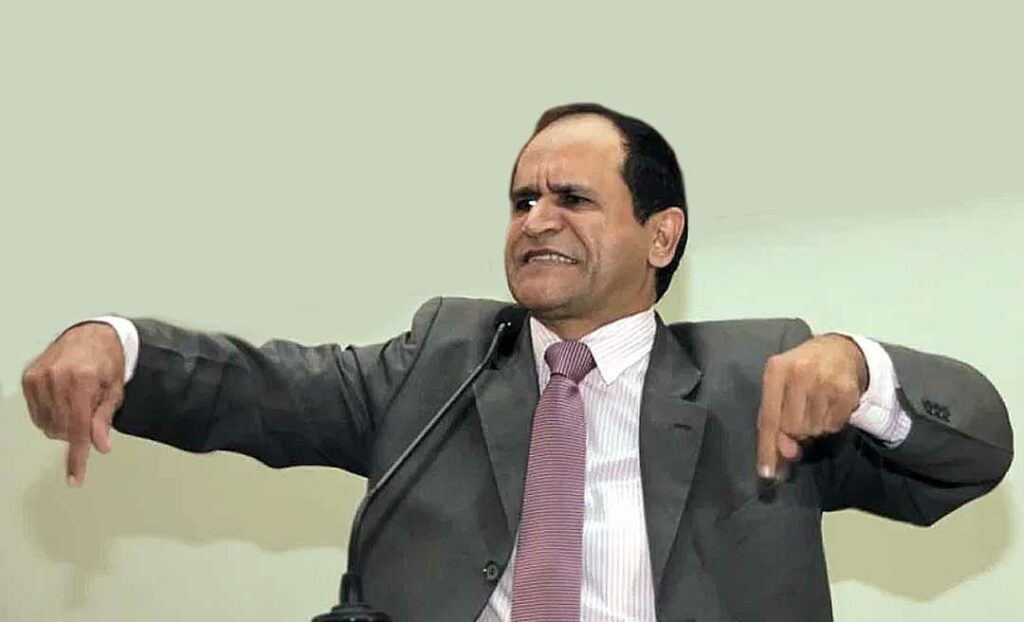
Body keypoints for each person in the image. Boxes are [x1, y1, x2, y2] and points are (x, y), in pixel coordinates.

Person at [21, 103, 1013, 621]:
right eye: (521, 200)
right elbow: (259, 385)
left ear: (661, 233)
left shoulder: (758, 374)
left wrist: (864, 371)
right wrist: (118, 344)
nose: (536, 219)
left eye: (572, 199)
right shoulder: (442, 360)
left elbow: (973, 455)